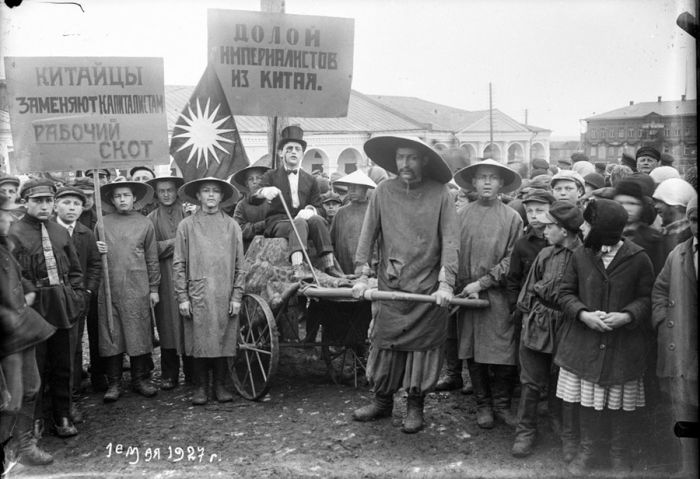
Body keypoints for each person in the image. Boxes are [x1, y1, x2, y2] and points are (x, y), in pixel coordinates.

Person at [351, 135, 457, 434]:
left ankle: (415, 406)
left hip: (426, 289)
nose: (405, 164)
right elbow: (367, 235)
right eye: (400, 157)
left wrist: (446, 283)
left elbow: (451, 241)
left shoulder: (441, 194)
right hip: (390, 286)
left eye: (412, 157)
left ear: (423, 160)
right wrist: (362, 275)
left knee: (421, 350)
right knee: (386, 344)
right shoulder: (383, 191)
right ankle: (382, 402)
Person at [555, 199, 654, 476]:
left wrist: (628, 315)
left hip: (622, 347)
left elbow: (647, 297)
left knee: (619, 404)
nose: (582, 227)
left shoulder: (638, 258)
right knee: (588, 400)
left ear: (602, 228)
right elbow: (565, 293)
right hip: (585, 345)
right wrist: (584, 314)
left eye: (587, 223)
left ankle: (619, 454)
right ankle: (588, 451)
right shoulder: (580, 255)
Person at [8, 179, 85, 446]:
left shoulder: (60, 232)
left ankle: (62, 416)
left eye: (48, 201)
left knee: (64, 364)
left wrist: (76, 296)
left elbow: (75, 271)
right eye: (37, 201)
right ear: (25, 202)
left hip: (62, 305)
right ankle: (35, 419)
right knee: (35, 367)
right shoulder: (13, 233)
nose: (44, 206)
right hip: (32, 308)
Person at [452, 159, 523, 429]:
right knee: (472, 350)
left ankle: (502, 404)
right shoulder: (461, 215)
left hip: (498, 295)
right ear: (473, 182)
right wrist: (462, 286)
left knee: (503, 350)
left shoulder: (512, 218)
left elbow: (511, 259)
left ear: (502, 183)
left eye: (493, 177)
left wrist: (482, 283)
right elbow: (452, 252)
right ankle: (483, 405)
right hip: (467, 295)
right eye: (482, 177)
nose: (487, 182)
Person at [511, 201, 583, 459]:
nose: (544, 229)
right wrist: (526, 318)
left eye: (550, 226)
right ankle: (525, 431)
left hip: (568, 325)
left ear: (564, 230)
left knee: (564, 383)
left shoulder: (585, 257)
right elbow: (529, 288)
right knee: (531, 383)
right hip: (538, 322)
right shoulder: (545, 254)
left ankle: (565, 432)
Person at [173, 177, 244, 406]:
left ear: (222, 197)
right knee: (200, 339)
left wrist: (236, 296)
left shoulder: (232, 225)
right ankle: (201, 386)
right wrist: (182, 297)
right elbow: (179, 263)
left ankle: (220, 385)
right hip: (199, 292)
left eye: (215, 191)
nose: (211, 195)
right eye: (206, 191)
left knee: (223, 338)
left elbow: (240, 265)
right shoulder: (187, 225)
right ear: (198, 196)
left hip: (224, 292)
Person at [0, 191, 56, 469]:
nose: (11, 218)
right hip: (7, 334)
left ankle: (24, 446)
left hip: (20, 331)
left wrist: (29, 289)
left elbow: (18, 275)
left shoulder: (4, 245)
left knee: (30, 388)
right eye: (5, 213)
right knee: (8, 400)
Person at [251, 126, 343, 279]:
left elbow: (320, 208)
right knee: (299, 223)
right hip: (278, 222)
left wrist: (311, 210)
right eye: (289, 148)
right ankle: (298, 267)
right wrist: (263, 192)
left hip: (304, 222)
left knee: (318, 221)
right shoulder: (271, 176)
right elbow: (252, 197)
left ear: (302, 154)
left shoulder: (310, 180)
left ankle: (329, 265)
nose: (293, 151)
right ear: (281, 153)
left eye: (297, 149)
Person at [97, 181, 160, 403]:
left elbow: (152, 258)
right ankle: (114, 382)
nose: (122, 199)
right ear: (112, 200)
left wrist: (153, 288)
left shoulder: (145, 224)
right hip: (109, 287)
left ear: (134, 198)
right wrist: (98, 250)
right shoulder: (102, 224)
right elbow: (93, 258)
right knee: (111, 333)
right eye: (117, 196)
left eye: (126, 195)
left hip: (137, 286)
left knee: (139, 331)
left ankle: (140, 378)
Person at [652, 196, 697, 478]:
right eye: (693, 219)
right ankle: (687, 466)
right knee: (684, 407)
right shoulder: (678, 253)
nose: (697, 226)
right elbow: (660, 289)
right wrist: (662, 322)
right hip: (682, 342)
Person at [52, 186, 102, 422]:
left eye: (76, 204)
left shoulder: (85, 233)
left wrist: (87, 291)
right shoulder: (47, 230)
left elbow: (94, 264)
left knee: (73, 349)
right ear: (55, 205)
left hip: (76, 300)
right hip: (49, 301)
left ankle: (70, 399)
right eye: (66, 202)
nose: (71, 208)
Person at [146, 176, 189, 390]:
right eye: (161, 191)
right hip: (163, 276)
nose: (166, 194)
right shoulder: (151, 218)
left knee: (189, 322)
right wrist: (178, 243)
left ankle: (192, 371)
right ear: (156, 194)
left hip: (189, 275)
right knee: (167, 325)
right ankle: (169, 373)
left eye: (170, 190)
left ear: (177, 191)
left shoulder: (188, 214)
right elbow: (151, 248)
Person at [328, 169, 377, 274]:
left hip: (367, 266)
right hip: (344, 264)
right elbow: (331, 241)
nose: (352, 190)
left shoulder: (373, 211)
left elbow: (379, 241)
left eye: (356, 187)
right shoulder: (340, 212)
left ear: (365, 189)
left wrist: (374, 263)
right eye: (350, 187)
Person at [652, 178, 697, 259]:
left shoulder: (687, 237)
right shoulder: (665, 233)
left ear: (676, 205)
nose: (656, 206)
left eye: (661, 202)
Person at [232, 159, 271, 252]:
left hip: (272, 248)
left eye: (259, 178)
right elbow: (238, 230)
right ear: (247, 184)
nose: (255, 182)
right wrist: (261, 225)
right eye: (251, 179)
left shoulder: (274, 201)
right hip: (250, 251)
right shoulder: (241, 205)